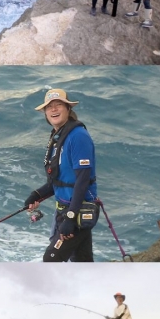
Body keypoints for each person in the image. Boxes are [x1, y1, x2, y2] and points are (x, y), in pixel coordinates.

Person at [24, 88, 99, 262]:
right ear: (45, 113)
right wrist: (36, 195)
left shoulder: (78, 136)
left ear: (68, 109)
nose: (54, 110)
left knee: (51, 259)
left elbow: (82, 179)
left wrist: (71, 218)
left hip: (78, 212)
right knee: (82, 261)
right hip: (63, 210)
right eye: (49, 107)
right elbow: (59, 180)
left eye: (59, 105)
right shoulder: (58, 137)